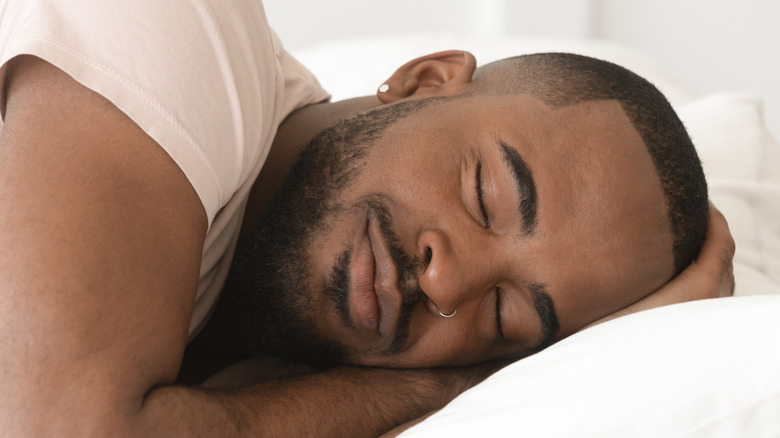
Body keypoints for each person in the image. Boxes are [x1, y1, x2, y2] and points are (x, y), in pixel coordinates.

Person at [0, 1, 734, 437]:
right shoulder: (184, 38)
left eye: (506, 317)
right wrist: (441, 387)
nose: (452, 280)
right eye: (485, 194)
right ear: (424, 81)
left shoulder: (279, 365)